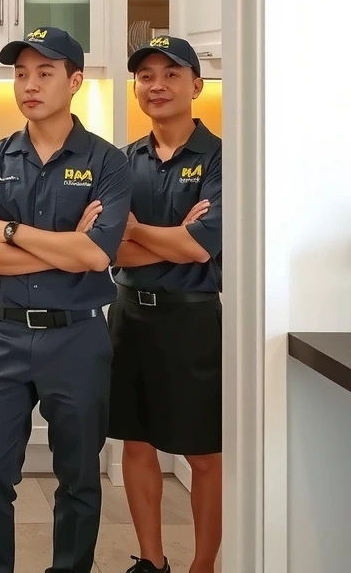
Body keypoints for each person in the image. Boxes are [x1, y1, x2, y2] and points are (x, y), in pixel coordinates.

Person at [0, 27, 131, 573]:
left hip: (77, 338)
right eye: (21, 73)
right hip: (2, 337)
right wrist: (64, 248)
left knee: (78, 477)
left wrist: (11, 232)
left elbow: (96, 255)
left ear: (75, 81)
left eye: (45, 73)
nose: (29, 85)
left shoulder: (108, 162)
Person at [109, 36, 223, 573]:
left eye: (171, 75)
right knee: (136, 444)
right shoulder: (120, 162)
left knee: (203, 452)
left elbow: (203, 246)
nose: (157, 85)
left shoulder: (222, 157)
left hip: (192, 317)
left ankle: (204, 565)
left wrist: (136, 230)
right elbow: (107, 247)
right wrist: (174, 235)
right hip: (129, 314)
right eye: (146, 76)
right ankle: (151, 561)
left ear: (196, 86)